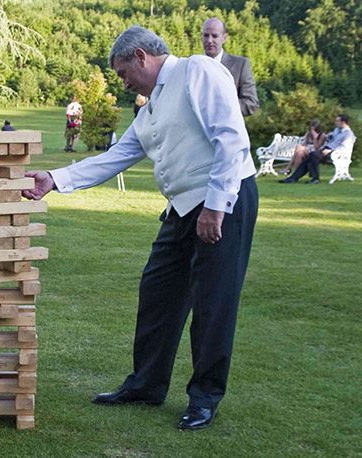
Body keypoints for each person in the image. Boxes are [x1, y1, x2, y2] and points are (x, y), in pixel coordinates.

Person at [22, 26, 258, 430]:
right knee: (157, 290)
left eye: (122, 72)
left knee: (212, 302)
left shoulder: (197, 71)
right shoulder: (149, 108)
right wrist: (55, 179)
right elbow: (118, 155)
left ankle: (204, 398)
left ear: (141, 56)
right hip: (181, 208)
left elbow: (231, 140)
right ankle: (146, 385)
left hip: (225, 200)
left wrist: (216, 207)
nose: (123, 81)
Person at [202, 17, 259, 117]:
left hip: (228, 130)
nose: (209, 40)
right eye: (206, 35)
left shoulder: (240, 65)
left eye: (214, 36)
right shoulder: (191, 66)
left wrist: (220, 109)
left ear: (224, 38)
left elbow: (251, 103)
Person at [280, 114, 355, 184]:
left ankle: (314, 178)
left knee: (313, 155)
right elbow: (332, 138)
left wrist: (331, 151)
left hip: (335, 152)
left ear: (343, 122)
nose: (335, 122)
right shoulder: (337, 130)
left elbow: (344, 147)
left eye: (337, 121)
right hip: (326, 149)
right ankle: (294, 178)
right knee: (310, 157)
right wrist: (328, 136)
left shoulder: (348, 134)